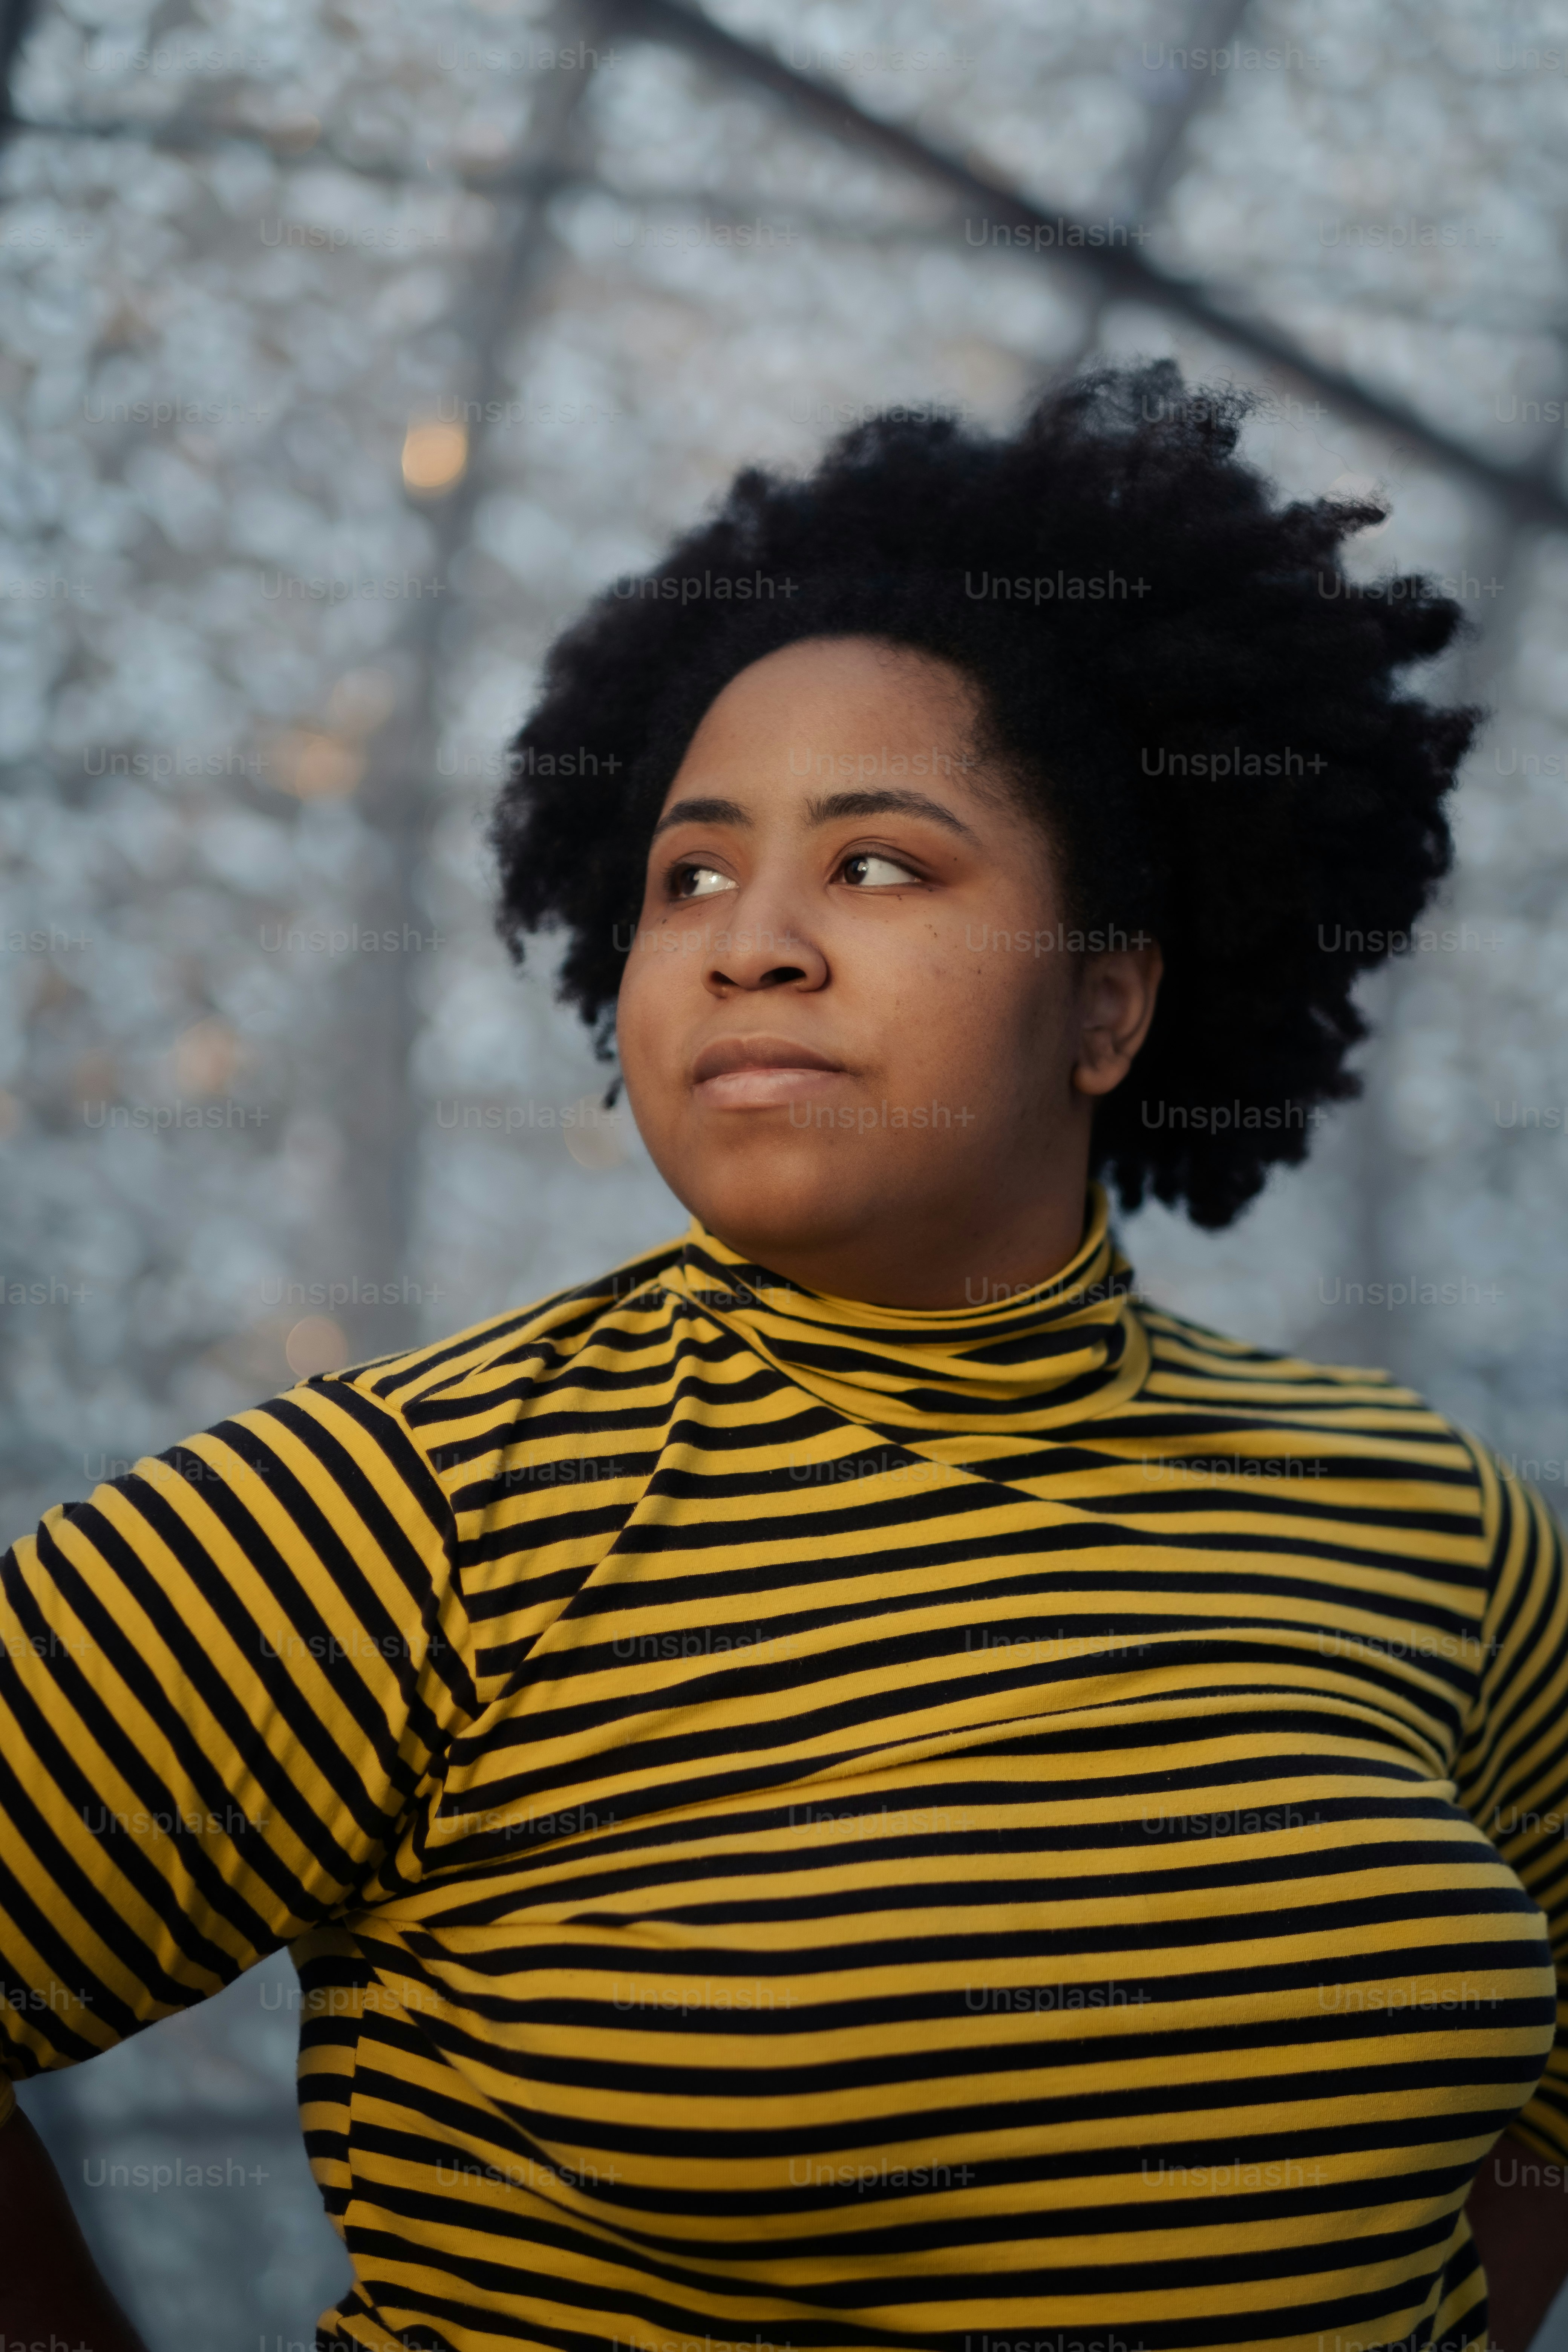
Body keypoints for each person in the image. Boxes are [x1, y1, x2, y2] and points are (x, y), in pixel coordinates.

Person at [2, 362, 1564, 2352]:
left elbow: (1547, 2088)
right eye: (691, 874)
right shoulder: (401, 1514)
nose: (754, 944)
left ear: (1107, 1006)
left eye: (881, 863)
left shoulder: (1429, 1522)